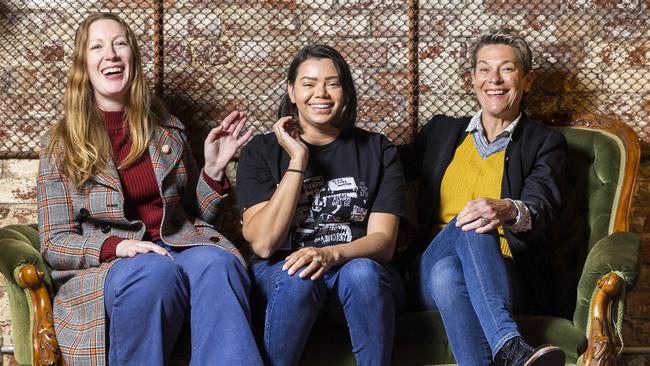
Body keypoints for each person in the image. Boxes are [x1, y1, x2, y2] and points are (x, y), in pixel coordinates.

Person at [37, 12, 262, 366]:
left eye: (120, 44)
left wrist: (214, 169)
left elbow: (193, 215)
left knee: (219, 264)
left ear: (132, 58)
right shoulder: (62, 146)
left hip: (175, 246)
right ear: (84, 65)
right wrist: (120, 246)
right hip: (109, 269)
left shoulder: (167, 129)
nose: (110, 54)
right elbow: (53, 241)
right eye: (97, 47)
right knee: (153, 272)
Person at [400, 29, 567, 366]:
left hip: (507, 275)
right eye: (484, 69)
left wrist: (505, 209)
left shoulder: (543, 143)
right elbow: (387, 166)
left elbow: (541, 207)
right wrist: (326, 143)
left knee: (450, 272)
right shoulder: (442, 132)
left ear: (527, 79)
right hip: (427, 267)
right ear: (472, 78)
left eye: (507, 69)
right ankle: (509, 343)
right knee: (468, 227)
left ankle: (505, 349)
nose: (495, 79)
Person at [236, 44, 406, 366]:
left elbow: (383, 243)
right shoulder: (261, 151)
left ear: (345, 90)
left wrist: (330, 254)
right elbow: (263, 243)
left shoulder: (377, 150)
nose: (321, 93)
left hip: (354, 276)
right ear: (291, 91)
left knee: (363, 273)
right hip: (283, 277)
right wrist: (298, 159)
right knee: (299, 275)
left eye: (333, 82)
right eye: (309, 83)